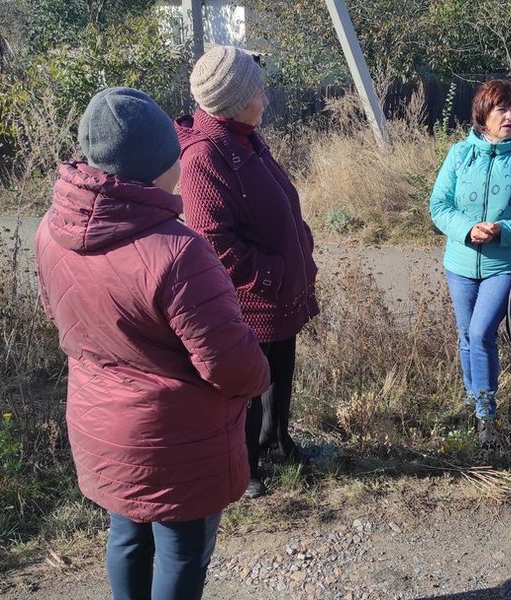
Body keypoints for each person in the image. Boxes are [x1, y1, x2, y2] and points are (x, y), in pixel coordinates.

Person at [34, 87, 270, 599]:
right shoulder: (179, 251)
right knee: (183, 551)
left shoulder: (50, 230)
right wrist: (261, 374)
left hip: (101, 422)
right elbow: (231, 365)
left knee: (126, 533)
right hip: (177, 439)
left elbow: (62, 319)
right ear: (162, 163)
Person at [176, 46, 319, 498]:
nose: (265, 99)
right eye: (258, 92)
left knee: (280, 371)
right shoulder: (204, 157)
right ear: (235, 100)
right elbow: (213, 242)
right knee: (248, 384)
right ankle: (245, 466)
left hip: (278, 294)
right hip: (253, 298)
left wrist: (302, 247)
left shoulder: (246, 138)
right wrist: (274, 274)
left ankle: (277, 441)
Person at [429, 79, 511, 445]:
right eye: (501, 109)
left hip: (504, 264)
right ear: (482, 115)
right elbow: (439, 205)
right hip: (460, 262)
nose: (510, 116)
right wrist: (468, 229)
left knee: (481, 333)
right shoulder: (459, 154)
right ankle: (473, 403)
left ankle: (486, 417)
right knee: (466, 335)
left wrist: (505, 230)